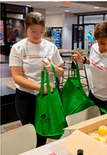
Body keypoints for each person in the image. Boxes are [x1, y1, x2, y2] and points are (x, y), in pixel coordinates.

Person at [9, 12, 64, 147]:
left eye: (40, 31)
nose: (37, 35)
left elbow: (61, 72)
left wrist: (53, 68)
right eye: (33, 31)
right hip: (26, 97)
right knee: (30, 133)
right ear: (26, 27)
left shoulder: (51, 47)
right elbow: (17, 77)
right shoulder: (18, 48)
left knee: (42, 133)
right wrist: (40, 88)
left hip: (47, 97)